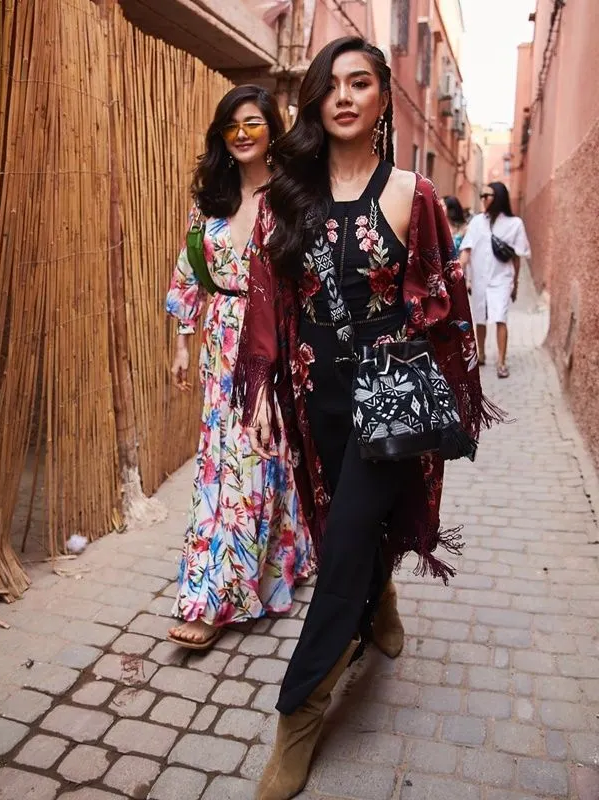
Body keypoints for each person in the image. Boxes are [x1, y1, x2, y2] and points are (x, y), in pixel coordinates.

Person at [234, 37, 499, 800]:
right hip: (313, 385)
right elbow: (266, 292)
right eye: (332, 85)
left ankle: (298, 717)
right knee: (339, 529)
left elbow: (444, 293)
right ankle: (378, 596)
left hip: (389, 394)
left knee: (345, 542)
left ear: (383, 98)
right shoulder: (288, 193)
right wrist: (262, 390)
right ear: (316, 100)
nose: (344, 96)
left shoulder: (414, 193)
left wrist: (435, 363)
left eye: (360, 83)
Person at [165, 85, 314, 650]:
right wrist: (183, 341)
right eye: (232, 125)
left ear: (272, 129)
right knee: (224, 463)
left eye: (253, 122)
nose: (243, 133)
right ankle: (218, 589)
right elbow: (189, 273)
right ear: (222, 136)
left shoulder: (292, 195)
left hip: (273, 341)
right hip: (220, 344)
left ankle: (260, 573)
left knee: (265, 456)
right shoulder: (211, 199)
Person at [459, 181, 531, 378]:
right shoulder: (477, 222)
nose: (483, 199)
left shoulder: (515, 224)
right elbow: (467, 250)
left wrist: (515, 284)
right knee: (480, 318)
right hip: (479, 279)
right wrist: (458, 271)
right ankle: (481, 355)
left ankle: (501, 362)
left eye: (487, 196)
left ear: (498, 197)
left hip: (502, 279)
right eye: (481, 196)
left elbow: (517, 257)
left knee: (500, 317)